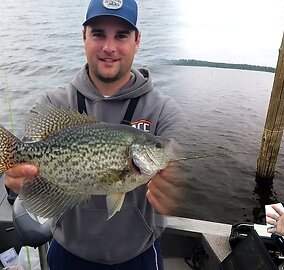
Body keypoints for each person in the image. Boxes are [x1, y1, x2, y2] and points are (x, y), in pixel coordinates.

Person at [4, 0, 184, 269]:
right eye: (98, 33)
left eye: (121, 35)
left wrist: (176, 185)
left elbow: (178, 164)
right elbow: (25, 181)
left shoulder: (163, 110)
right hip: (66, 253)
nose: (109, 47)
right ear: (84, 37)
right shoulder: (52, 103)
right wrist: (15, 180)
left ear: (137, 40)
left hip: (138, 256)